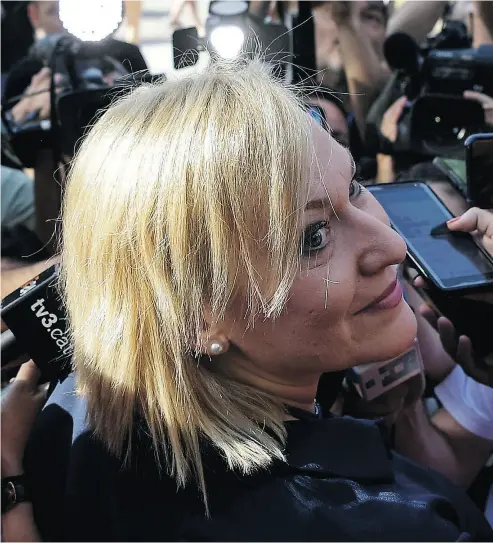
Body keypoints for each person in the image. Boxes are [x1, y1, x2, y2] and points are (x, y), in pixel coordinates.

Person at [2, 59, 493, 541]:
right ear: (195, 313)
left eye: (355, 186)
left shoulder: (65, 418)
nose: (392, 246)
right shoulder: (388, 528)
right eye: (313, 237)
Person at [2, 1, 148, 106]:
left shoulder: (127, 56)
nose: (66, 25)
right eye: (54, 11)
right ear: (34, 14)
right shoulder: (26, 75)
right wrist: (23, 112)